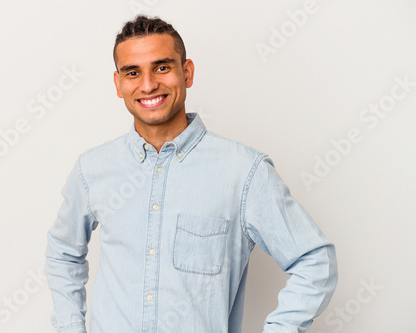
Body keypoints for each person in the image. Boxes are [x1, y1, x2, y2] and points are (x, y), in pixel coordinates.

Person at [45, 15, 338, 333]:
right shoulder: (93, 169)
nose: (147, 85)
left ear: (187, 72)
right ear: (118, 84)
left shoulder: (243, 172)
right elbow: (62, 253)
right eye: (133, 72)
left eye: (162, 67)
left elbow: (315, 260)